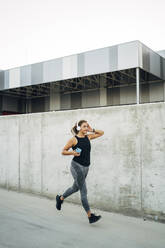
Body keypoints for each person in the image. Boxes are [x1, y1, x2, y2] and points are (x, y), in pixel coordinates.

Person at [56, 120, 104, 224]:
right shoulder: (74, 140)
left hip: (86, 167)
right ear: (79, 128)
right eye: (84, 127)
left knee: (75, 188)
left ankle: (60, 198)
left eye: (87, 126)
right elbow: (63, 151)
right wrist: (72, 152)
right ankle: (90, 216)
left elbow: (101, 133)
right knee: (83, 191)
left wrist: (92, 130)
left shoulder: (88, 137)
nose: (86, 128)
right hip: (76, 166)